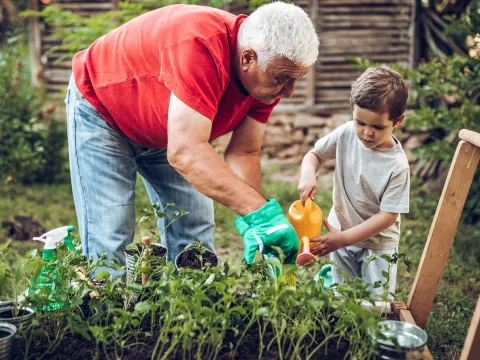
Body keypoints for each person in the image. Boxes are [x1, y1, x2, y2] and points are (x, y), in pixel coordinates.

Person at [65, 2, 319, 273]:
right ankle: (103, 313)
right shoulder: (201, 45)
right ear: (247, 58)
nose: (289, 91)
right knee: (111, 234)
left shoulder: (266, 82)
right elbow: (185, 151)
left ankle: (185, 311)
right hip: (103, 113)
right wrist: (262, 213)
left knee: (194, 230)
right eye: (284, 78)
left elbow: (244, 152)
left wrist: (255, 220)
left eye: (297, 79)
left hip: (172, 130)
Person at [297, 67, 410, 298]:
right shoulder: (347, 133)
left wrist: (344, 239)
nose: (367, 133)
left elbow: (388, 217)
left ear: (398, 121)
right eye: (360, 123)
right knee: (343, 298)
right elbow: (314, 155)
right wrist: (308, 173)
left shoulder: (397, 166)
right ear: (353, 112)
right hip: (340, 230)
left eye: (378, 127)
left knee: (375, 305)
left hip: (378, 245)